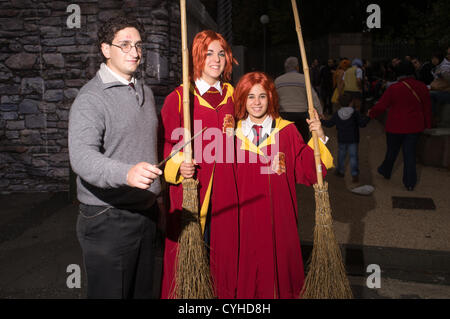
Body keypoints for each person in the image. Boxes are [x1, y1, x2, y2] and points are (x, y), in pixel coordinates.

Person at [68, 16, 162, 299]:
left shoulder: (144, 91)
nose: (134, 52)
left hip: (145, 212)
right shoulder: (91, 98)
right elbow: (82, 157)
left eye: (138, 45)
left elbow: (145, 146)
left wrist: (159, 195)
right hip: (108, 217)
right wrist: (126, 173)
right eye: (124, 45)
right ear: (105, 49)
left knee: (143, 293)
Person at [233, 71, 333, 299]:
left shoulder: (287, 131)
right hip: (244, 218)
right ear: (242, 100)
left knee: (278, 275)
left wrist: (319, 136)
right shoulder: (233, 135)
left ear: (271, 98)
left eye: (262, 96)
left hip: (279, 216)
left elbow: (309, 170)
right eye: (250, 96)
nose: (256, 103)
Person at [160, 30, 239, 299]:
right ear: (196, 57)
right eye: (208, 54)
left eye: (221, 53)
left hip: (228, 190)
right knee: (190, 254)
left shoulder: (235, 96)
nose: (216, 60)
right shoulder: (180, 97)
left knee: (224, 255)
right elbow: (166, 143)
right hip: (193, 190)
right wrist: (179, 165)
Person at [368, 61, 432, 191]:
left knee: (392, 151)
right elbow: (427, 108)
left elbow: (382, 105)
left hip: (395, 125)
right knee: (410, 154)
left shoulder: (394, 88)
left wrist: (371, 113)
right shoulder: (422, 87)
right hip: (414, 126)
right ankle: (409, 183)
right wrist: (428, 124)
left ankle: (386, 170)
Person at [322, 93, 370, 183]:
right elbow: (362, 124)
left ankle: (340, 171)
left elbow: (329, 124)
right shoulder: (355, 113)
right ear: (351, 102)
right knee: (353, 157)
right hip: (353, 139)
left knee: (341, 155)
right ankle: (354, 174)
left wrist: (321, 120)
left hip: (342, 139)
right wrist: (368, 116)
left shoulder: (337, 114)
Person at [275, 56, 323, 142]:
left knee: (285, 140)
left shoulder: (278, 80)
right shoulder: (304, 79)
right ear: (297, 67)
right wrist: (319, 112)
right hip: (301, 115)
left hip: (283, 115)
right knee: (302, 140)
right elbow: (313, 96)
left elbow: (274, 98)